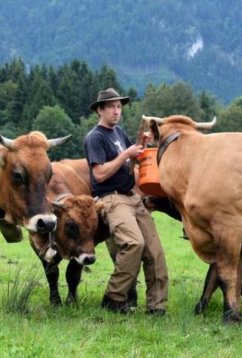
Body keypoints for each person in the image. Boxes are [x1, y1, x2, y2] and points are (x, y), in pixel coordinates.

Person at [83, 88, 169, 315]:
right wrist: (125, 155)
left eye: (119, 107)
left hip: (133, 197)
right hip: (111, 198)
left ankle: (157, 307)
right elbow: (99, 174)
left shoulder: (119, 132)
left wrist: (143, 145)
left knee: (155, 251)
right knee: (133, 244)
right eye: (111, 106)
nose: (116, 111)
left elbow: (134, 158)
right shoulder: (95, 137)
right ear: (100, 110)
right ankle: (114, 298)